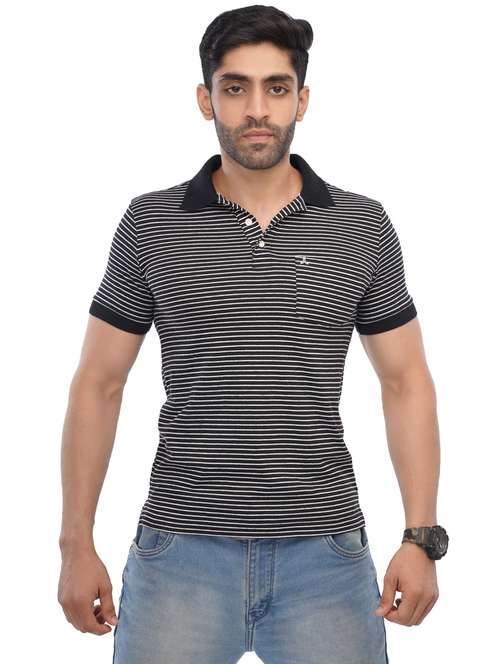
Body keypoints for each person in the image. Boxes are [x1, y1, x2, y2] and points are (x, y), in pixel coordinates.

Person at [58, 5, 448, 663]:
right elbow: (99, 384)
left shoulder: (361, 225)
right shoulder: (151, 223)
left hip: (325, 555)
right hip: (179, 551)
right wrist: (75, 543)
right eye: (236, 88)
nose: (257, 109)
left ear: (303, 99)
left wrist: (421, 538)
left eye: (276, 87)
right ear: (206, 99)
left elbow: (406, 382)